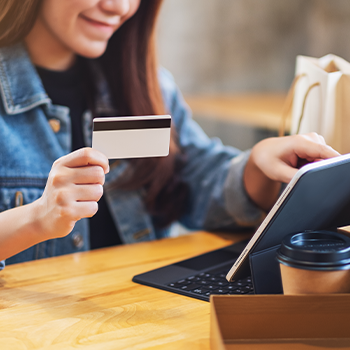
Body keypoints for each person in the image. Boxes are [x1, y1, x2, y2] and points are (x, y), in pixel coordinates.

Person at [0, 0, 339, 267]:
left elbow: (194, 181)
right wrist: (36, 218)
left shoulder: (148, 85)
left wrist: (258, 165)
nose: (121, 7)